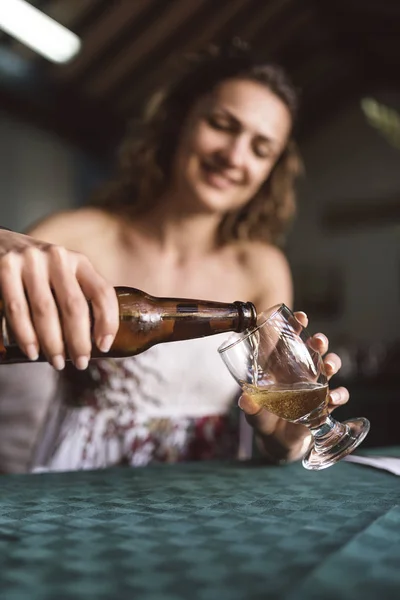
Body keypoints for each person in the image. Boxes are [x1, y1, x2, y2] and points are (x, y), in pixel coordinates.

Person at [0, 42, 349, 471]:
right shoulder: (75, 234)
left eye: (261, 149)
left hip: (203, 498)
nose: (234, 156)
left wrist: (285, 439)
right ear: (178, 122)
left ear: (270, 172)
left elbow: (275, 426)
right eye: (222, 124)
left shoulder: (262, 267)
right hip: (78, 485)